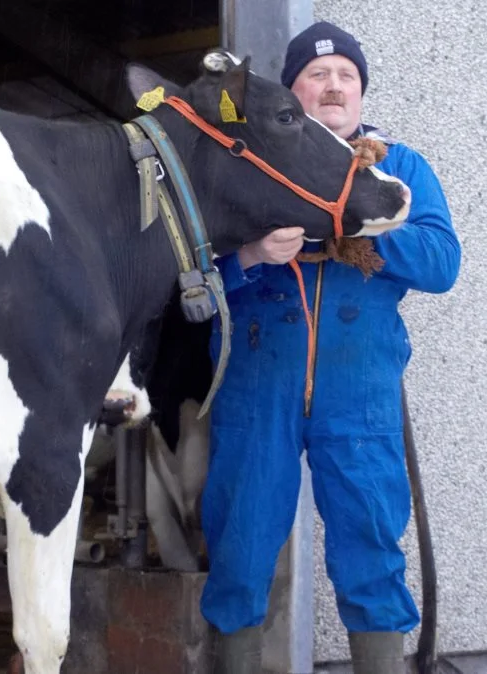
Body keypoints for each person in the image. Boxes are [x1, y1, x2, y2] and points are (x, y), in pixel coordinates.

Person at [200, 21, 462, 674]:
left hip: (361, 392)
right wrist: (252, 255)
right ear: (293, 91)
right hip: (256, 386)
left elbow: (442, 260)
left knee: (372, 552)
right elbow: (192, 273)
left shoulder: (397, 167)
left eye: (346, 74)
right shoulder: (246, 160)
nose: (334, 85)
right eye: (317, 75)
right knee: (239, 550)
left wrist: (363, 227)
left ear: (361, 91)